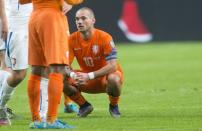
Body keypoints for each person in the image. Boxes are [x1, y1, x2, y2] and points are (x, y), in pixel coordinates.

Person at [19, 0, 84, 129]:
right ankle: (51, 120)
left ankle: (36, 119)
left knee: (37, 69)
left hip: (35, 17)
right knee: (58, 68)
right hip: (52, 17)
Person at [63, 7, 124, 118]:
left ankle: (114, 106)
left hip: (104, 78)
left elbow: (113, 66)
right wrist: (72, 75)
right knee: (60, 77)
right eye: (77, 19)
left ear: (93, 20)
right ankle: (84, 106)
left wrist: (89, 76)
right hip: (85, 79)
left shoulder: (105, 37)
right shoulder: (71, 39)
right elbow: (65, 66)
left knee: (114, 78)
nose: (79, 22)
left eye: (83, 18)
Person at [0, 0, 32, 126]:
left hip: (34, 21)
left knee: (41, 68)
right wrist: (4, 21)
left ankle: (44, 116)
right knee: (16, 72)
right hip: (14, 23)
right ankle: (1, 106)